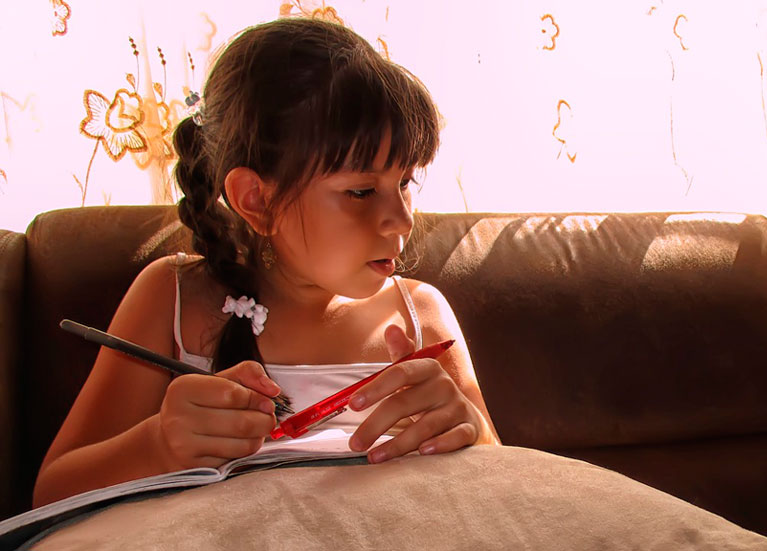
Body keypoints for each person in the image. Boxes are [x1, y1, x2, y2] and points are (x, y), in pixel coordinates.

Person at [33, 18, 499, 508]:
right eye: (362, 191)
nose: (402, 219)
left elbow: (504, 483)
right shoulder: (173, 298)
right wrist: (158, 445)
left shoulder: (420, 315)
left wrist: (468, 429)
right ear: (256, 199)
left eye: (405, 182)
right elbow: (51, 494)